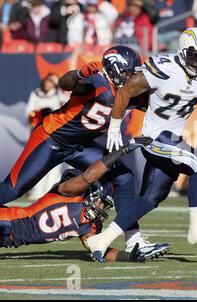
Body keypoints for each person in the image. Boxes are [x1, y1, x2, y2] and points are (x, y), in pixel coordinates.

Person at [89, 27, 197, 261]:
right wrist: (113, 126)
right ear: (182, 52)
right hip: (154, 138)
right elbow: (125, 91)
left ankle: (100, 240)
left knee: (149, 200)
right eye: (194, 56)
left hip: (174, 138)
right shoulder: (164, 67)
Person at [0, 46, 166, 258]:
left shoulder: (130, 92)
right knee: (13, 189)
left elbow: (161, 101)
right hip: (51, 139)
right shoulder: (97, 81)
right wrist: (79, 74)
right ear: (114, 69)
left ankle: (134, 240)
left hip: (79, 146)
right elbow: (64, 83)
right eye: (128, 73)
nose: (132, 78)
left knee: (123, 177)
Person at [0, 146, 166, 262]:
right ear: (93, 193)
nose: (102, 208)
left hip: (10, 240)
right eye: (102, 202)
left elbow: (95, 249)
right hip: (6, 221)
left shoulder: (88, 225)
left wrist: (128, 257)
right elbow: (89, 176)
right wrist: (120, 152)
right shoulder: (68, 192)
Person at [25, 73, 67, 200]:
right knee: (38, 162)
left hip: (56, 133)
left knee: (54, 164)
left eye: (53, 82)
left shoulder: (58, 95)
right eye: (49, 81)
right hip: (40, 132)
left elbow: (65, 110)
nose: (50, 84)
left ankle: (51, 192)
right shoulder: (36, 94)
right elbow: (29, 112)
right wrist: (41, 112)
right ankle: (37, 192)